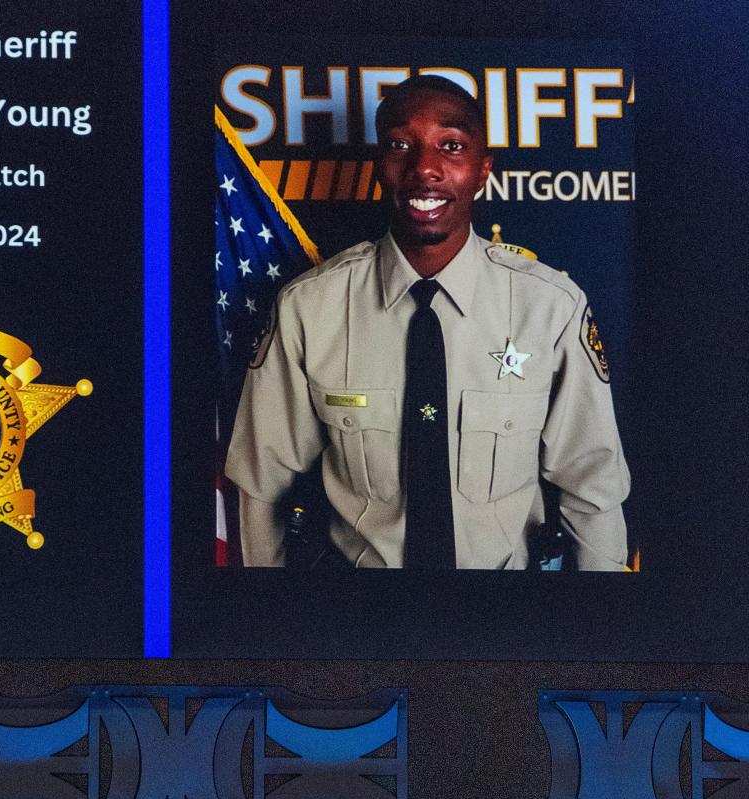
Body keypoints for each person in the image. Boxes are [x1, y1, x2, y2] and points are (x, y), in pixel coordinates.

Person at [225, 74, 630, 568]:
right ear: (379, 166)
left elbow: (593, 493)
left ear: (483, 171)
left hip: (507, 614)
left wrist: (595, 630)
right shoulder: (309, 307)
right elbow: (261, 487)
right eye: (401, 145)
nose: (425, 169)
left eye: (452, 146)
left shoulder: (550, 307)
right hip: (359, 616)